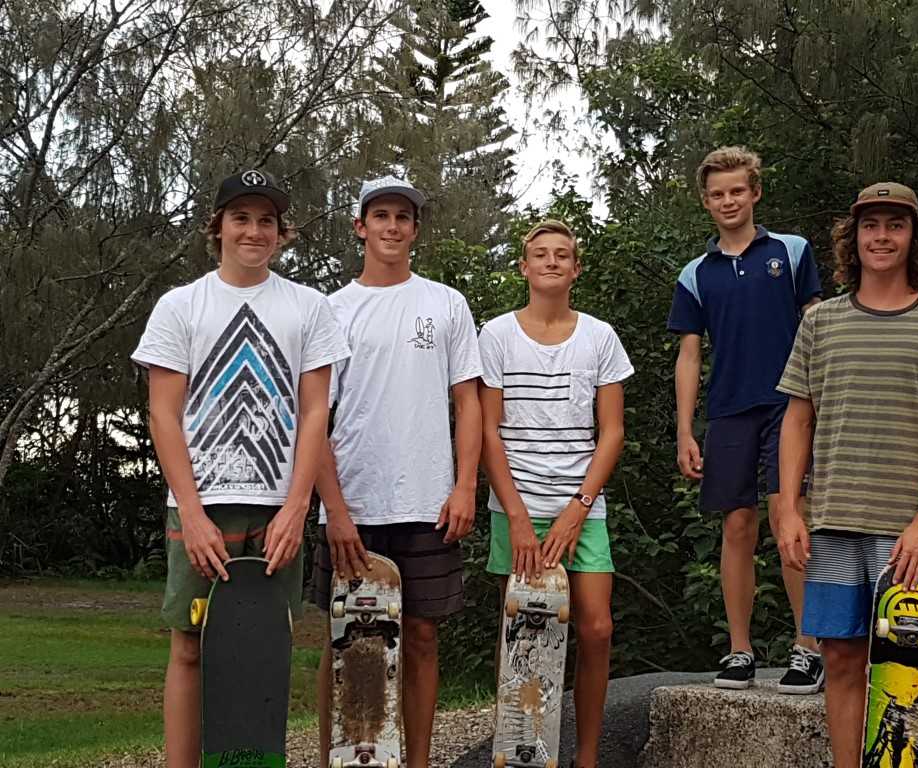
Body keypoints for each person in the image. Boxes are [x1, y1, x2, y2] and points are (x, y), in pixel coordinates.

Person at [132, 169, 347, 768]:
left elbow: (314, 413)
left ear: (282, 232)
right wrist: (193, 513)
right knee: (189, 647)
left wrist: (297, 508)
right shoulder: (180, 306)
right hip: (201, 506)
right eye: (241, 218)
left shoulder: (309, 308)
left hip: (278, 506)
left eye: (266, 221)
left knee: (264, 651)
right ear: (218, 227)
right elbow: (164, 415)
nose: (254, 231)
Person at [775, 182, 918, 767]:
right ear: (854, 237)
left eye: (896, 224)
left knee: (908, 666)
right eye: (871, 225)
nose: (882, 236)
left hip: (906, 533)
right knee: (840, 659)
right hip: (832, 522)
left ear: (916, 236)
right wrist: (789, 508)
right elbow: (797, 419)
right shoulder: (821, 322)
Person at [312, 176, 483, 768]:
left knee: (422, 637)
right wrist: (334, 509)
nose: (391, 226)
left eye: (402, 217)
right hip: (352, 502)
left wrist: (465, 486)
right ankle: (337, 758)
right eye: (380, 215)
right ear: (360, 227)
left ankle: (419, 761)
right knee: (343, 642)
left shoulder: (446, 303)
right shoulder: (331, 310)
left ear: (415, 229)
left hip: (429, 501)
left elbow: (469, 402)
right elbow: (314, 417)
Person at [667, 146, 824, 691]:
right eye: (718, 194)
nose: (728, 201)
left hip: (790, 405)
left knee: (789, 517)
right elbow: (689, 355)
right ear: (705, 202)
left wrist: (824, 400)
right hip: (729, 409)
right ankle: (740, 650)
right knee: (736, 526)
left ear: (755, 192)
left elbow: (817, 327)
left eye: (737, 190)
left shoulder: (792, 251)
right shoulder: (695, 274)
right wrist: (685, 430)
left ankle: (808, 647)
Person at [479, 219, 633, 768]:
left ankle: (586, 757)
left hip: (581, 508)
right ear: (524, 267)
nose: (551, 261)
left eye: (561, 254)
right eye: (540, 254)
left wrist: (578, 507)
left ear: (576, 269)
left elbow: (612, 432)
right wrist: (518, 517)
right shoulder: (496, 335)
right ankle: (521, 751)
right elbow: (487, 431)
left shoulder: (600, 337)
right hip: (516, 505)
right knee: (524, 634)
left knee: (597, 628)